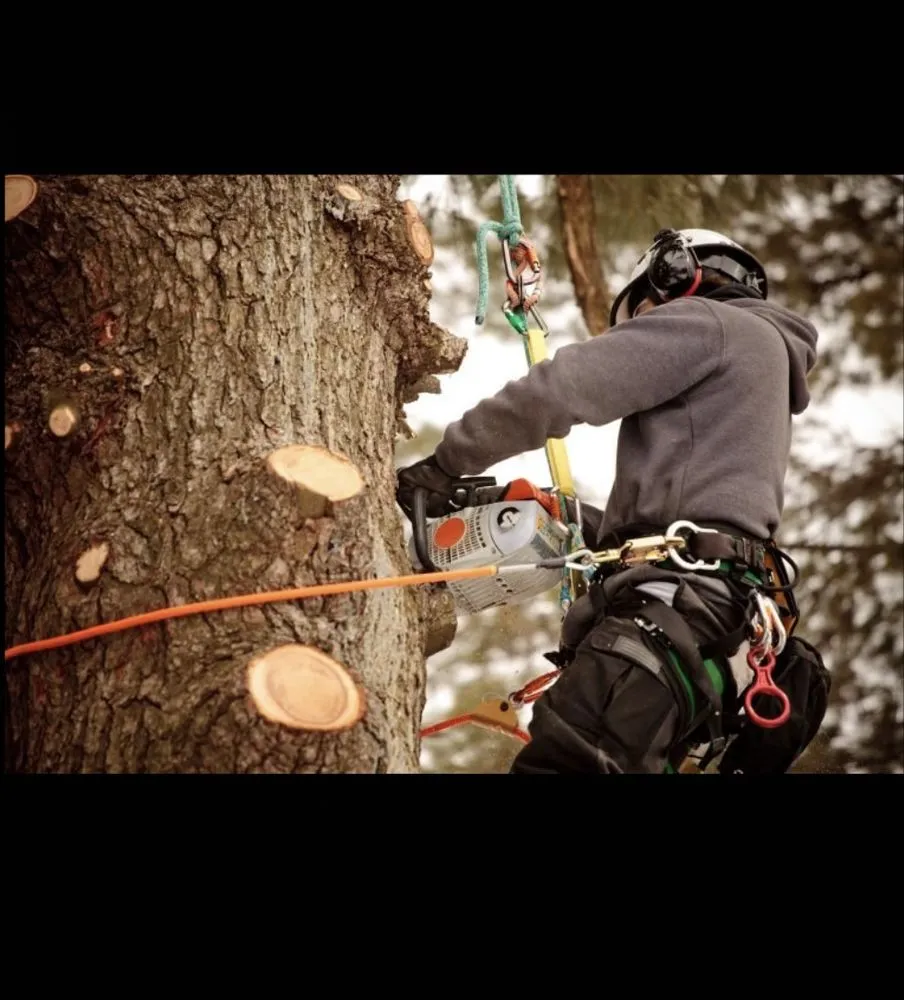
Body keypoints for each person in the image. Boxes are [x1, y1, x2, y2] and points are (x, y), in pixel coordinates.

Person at [395, 227, 820, 774]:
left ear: (676, 276)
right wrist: (570, 518)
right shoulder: (761, 364)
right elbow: (695, 520)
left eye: (643, 315)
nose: (644, 331)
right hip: (714, 628)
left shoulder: (710, 322)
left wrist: (444, 464)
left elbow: (562, 389)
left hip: (667, 617)